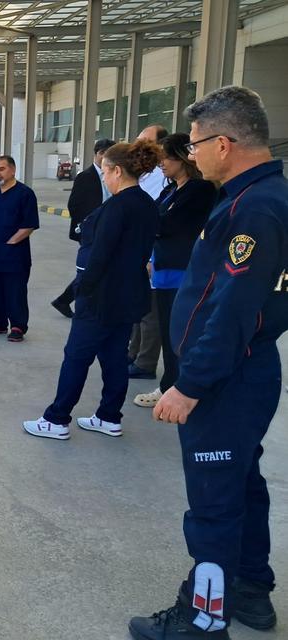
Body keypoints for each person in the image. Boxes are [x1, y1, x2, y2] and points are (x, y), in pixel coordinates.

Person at [129, 86, 288, 640]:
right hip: (238, 372)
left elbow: (233, 311)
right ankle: (250, 590)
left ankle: (202, 619)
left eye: (195, 144)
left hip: (225, 378)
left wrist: (188, 385)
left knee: (213, 506)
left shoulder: (256, 209)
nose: (189, 153)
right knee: (241, 484)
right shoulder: (253, 196)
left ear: (224, 143)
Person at [22, 139, 160, 441]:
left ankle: (56, 419)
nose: (105, 178)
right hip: (129, 295)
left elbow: (100, 254)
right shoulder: (147, 203)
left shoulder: (118, 206)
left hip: (100, 297)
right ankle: (109, 416)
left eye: (107, 172)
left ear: (117, 171)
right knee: (114, 358)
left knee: (76, 357)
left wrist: (82, 289)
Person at [132, 134, 216, 408]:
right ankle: (170, 384)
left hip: (183, 273)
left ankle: (177, 389)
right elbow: (154, 220)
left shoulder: (199, 190)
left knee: (181, 334)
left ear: (183, 157)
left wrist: (150, 225)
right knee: (169, 333)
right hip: (163, 270)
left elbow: (164, 225)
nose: (162, 164)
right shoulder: (171, 190)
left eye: (167, 157)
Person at [0, 156, 39, 342]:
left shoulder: (24, 194)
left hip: (14, 254)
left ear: (13, 170)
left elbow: (29, 225)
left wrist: (11, 243)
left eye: (1, 169)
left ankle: (18, 326)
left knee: (15, 291)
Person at [51, 138, 115, 318]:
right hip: (91, 231)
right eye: (104, 154)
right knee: (89, 269)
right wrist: (86, 227)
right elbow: (74, 205)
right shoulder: (85, 176)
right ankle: (71, 301)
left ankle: (64, 300)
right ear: (98, 154)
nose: (106, 159)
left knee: (96, 268)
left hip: (108, 228)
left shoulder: (114, 174)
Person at [128, 124, 170, 378]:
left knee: (150, 313)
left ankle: (145, 363)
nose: (138, 144)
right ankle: (133, 353)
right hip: (139, 248)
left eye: (145, 140)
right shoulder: (144, 173)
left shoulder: (163, 178)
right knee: (138, 308)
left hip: (154, 252)